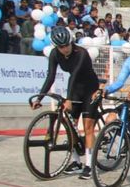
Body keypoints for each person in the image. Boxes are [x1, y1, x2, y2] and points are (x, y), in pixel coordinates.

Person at [31, 26, 101, 179]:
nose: (64, 49)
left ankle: (90, 164)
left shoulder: (81, 53)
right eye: (61, 47)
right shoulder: (55, 54)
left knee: (88, 126)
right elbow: (50, 76)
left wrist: (68, 99)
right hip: (75, 90)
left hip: (90, 89)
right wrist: (39, 98)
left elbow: (74, 75)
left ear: (71, 42)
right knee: (71, 126)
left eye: (66, 45)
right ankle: (76, 162)